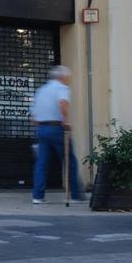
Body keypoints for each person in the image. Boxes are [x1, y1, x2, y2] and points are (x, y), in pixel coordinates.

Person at [30, 65, 85, 204]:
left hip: (42, 129)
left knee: (42, 163)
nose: (68, 80)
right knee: (69, 161)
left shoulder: (41, 90)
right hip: (56, 128)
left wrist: (41, 127)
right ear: (62, 77)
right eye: (67, 78)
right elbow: (62, 103)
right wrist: (66, 121)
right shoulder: (61, 88)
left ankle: (37, 196)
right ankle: (75, 195)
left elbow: (33, 115)